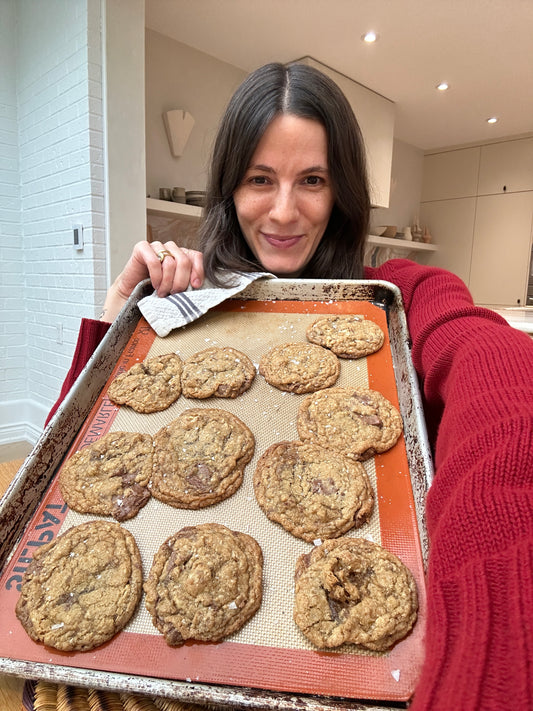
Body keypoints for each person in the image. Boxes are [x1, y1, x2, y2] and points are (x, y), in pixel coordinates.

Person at [46, 63, 533, 710]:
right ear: (229, 189)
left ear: (342, 194)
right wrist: (119, 319)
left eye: (311, 180)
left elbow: (501, 380)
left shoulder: (397, 297)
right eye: (258, 179)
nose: (282, 210)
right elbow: (62, 492)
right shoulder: (189, 307)